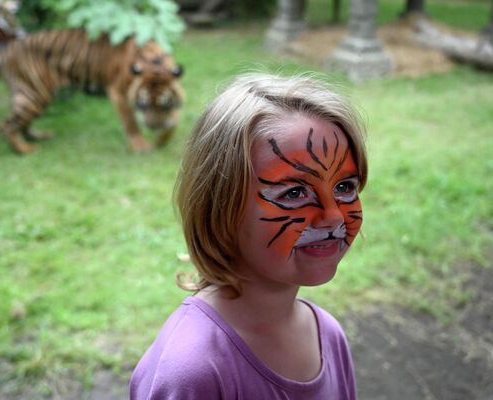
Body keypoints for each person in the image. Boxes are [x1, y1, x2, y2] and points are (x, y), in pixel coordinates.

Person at [130, 73, 368, 399]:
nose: (333, 216)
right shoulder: (192, 371)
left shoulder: (327, 335)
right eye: (295, 192)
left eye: (345, 187)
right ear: (221, 206)